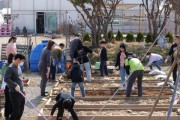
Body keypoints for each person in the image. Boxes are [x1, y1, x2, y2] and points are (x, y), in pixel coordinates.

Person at [4, 54, 26, 120]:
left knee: (21, 110)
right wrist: (15, 85)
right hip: (14, 93)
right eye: (22, 61)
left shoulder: (18, 67)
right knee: (16, 111)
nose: (22, 63)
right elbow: (6, 79)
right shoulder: (10, 68)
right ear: (18, 59)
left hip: (21, 92)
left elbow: (19, 78)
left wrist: (23, 88)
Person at [0, 53, 14, 120]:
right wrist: (2, 87)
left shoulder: (12, 66)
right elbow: (3, 78)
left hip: (11, 86)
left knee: (10, 100)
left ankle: (10, 114)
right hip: (7, 86)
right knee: (8, 101)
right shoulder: (7, 67)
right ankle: (7, 115)